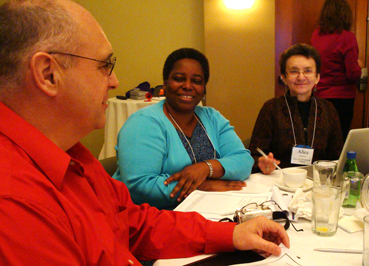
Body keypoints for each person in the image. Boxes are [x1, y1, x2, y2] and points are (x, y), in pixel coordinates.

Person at [0, 0, 289, 265]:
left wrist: (231, 234)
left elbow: (135, 223)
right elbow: (140, 189)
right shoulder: (15, 205)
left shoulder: (74, 154)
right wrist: (207, 183)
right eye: (105, 65)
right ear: (48, 74)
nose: (115, 81)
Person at [113, 48, 253, 210]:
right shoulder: (143, 123)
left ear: (204, 88)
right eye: (179, 79)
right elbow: (138, 186)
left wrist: (205, 168)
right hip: (148, 220)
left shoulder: (212, 117)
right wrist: (202, 187)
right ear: (165, 83)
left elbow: (244, 160)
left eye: (197, 81)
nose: (188, 86)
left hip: (209, 210)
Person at [249, 43, 343, 174]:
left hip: (317, 182)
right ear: (284, 78)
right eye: (294, 71)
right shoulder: (271, 108)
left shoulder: (328, 109)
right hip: (279, 180)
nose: (301, 77)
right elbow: (253, 155)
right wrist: (261, 162)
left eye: (308, 71)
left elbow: (337, 156)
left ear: (317, 77)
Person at [311, 0, 362, 141]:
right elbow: (353, 74)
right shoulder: (347, 37)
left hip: (320, 95)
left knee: (321, 138)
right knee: (339, 139)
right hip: (342, 98)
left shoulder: (316, 35)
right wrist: (359, 65)